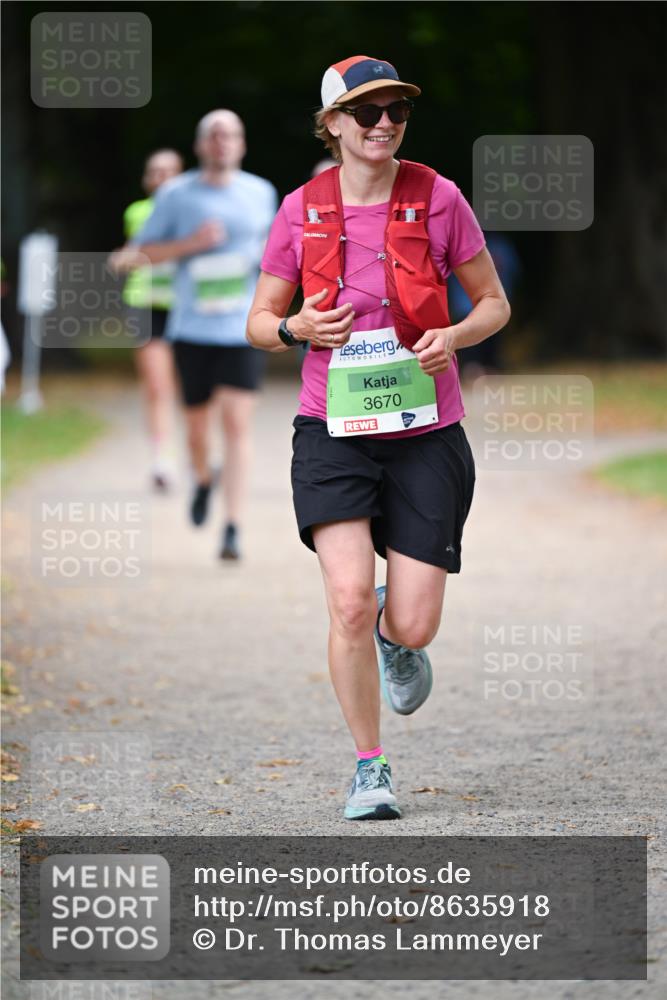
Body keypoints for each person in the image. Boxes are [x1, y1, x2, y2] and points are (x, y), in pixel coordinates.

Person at [247, 56, 510, 820]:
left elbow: (492, 303)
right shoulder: (300, 209)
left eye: (395, 110)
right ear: (332, 125)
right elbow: (259, 323)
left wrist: (453, 335)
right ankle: (370, 767)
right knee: (348, 600)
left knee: (413, 621)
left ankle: (400, 638)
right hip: (331, 427)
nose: (384, 124)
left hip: (425, 430)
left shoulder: (439, 197)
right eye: (366, 113)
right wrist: (294, 326)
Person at [123, 110, 277, 560]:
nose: (222, 142)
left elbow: (277, 250)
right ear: (200, 145)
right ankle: (202, 476)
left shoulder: (261, 193)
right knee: (196, 429)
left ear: (242, 144)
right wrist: (192, 244)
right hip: (191, 328)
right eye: (214, 135)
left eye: (231, 134)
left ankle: (233, 527)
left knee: (237, 425)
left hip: (242, 328)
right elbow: (141, 253)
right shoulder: (175, 194)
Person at [113, 149, 183, 491]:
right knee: (157, 386)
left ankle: (201, 451)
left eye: (169, 171)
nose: (161, 178)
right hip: (145, 303)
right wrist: (124, 258)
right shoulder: (136, 212)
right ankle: (162, 458)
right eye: (155, 172)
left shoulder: (194, 210)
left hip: (185, 306)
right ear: (147, 179)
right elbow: (128, 253)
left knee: (195, 386)